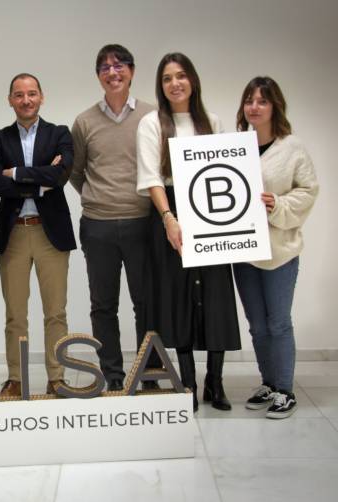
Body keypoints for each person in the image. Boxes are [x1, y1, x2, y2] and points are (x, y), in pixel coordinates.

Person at [136, 53, 241, 411]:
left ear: (192, 80)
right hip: (171, 211)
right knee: (178, 300)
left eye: (180, 76)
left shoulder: (212, 121)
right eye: (167, 78)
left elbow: (224, 171)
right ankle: (188, 384)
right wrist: (169, 218)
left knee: (215, 298)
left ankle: (216, 382)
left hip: (211, 214)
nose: (175, 83)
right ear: (160, 86)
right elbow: (151, 176)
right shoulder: (151, 123)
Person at [70, 44, 161, 392]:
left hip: (143, 222)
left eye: (119, 65)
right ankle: (114, 376)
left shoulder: (152, 116)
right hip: (98, 226)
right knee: (103, 306)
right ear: (98, 76)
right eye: (105, 68)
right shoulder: (84, 121)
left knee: (146, 303)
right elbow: (76, 171)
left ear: (132, 71)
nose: (113, 72)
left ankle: (149, 373)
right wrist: (100, 196)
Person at [233, 76, 318, 419]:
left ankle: (285, 390)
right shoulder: (235, 146)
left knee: (278, 322)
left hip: (280, 251)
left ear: (275, 106)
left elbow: (308, 190)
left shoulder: (292, 147)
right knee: (257, 324)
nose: (254, 107)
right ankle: (268, 383)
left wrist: (278, 204)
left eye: (262, 101)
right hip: (243, 251)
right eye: (249, 100)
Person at [0, 73, 75, 397]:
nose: (26, 100)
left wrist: (16, 173)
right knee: (15, 314)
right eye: (19, 95)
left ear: (41, 96)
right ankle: (17, 378)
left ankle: (57, 378)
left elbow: (60, 175)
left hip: (51, 235)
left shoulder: (59, 133)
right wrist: (40, 182)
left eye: (32, 93)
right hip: (14, 234)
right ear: (10, 99)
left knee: (56, 312)